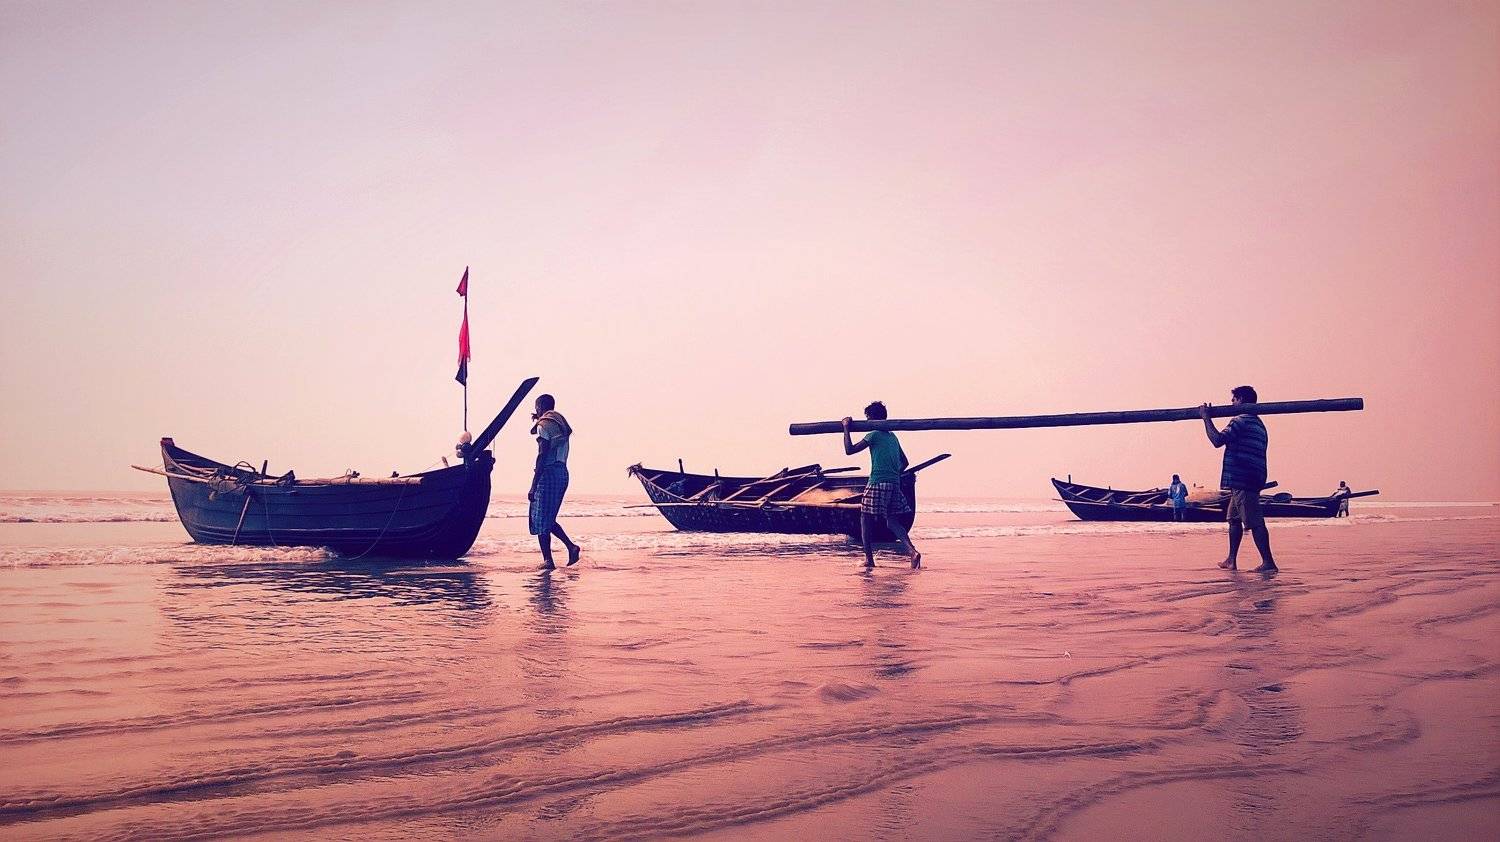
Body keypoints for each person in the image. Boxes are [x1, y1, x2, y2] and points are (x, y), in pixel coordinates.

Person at [1200, 385, 1276, 572]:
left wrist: (1206, 417)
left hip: (1244, 478)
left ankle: (1268, 563)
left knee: (1254, 521)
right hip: (1247, 478)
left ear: (1241, 399)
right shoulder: (1259, 424)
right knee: (1233, 519)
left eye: (1234, 399)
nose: (1231, 403)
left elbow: (1217, 440)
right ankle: (1231, 559)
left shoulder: (1241, 420)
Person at [842, 401, 922, 569]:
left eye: (867, 418)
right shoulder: (893, 436)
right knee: (892, 521)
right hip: (894, 483)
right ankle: (912, 552)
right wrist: (893, 474)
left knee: (865, 519)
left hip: (878, 481)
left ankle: (869, 559)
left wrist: (846, 427)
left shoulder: (874, 435)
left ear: (872, 419)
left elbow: (849, 450)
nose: (867, 421)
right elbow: (905, 462)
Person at [528, 394, 581, 569]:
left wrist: (533, 485)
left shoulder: (544, 425)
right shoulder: (559, 423)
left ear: (539, 407)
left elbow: (542, 455)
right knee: (547, 518)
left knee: (540, 518)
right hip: (562, 473)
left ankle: (549, 560)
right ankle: (569, 548)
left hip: (548, 473)